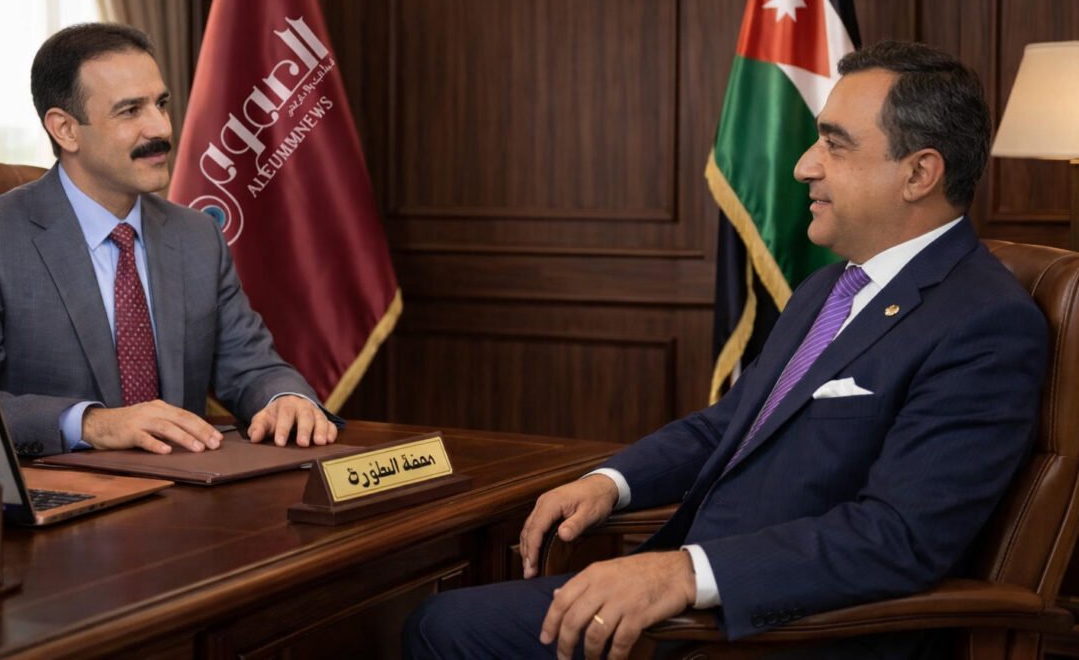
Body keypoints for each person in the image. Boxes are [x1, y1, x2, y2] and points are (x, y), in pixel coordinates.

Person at [402, 41, 1049, 660]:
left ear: (919, 173)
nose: (804, 165)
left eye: (834, 143)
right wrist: (612, 482)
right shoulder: (831, 286)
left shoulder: (984, 322)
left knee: (445, 626)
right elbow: (733, 425)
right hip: (698, 600)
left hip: (790, 633)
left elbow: (899, 538)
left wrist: (687, 574)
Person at [0, 23, 341, 457]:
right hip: (59, 502)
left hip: (186, 499)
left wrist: (285, 398)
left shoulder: (197, 236)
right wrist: (90, 423)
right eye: (130, 111)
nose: (160, 129)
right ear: (65, 130)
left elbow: (253, 366)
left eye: (161, 104)